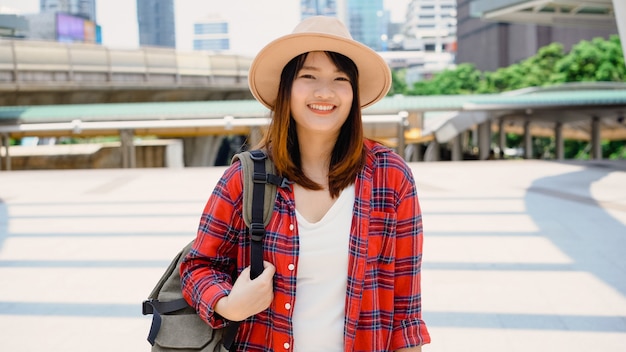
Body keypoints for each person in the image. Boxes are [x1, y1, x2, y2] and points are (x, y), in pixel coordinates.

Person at [181, 16, 431, 351]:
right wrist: (229, 304)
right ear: (287, 88)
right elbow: (198, 266)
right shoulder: (246, 177)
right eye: (309, 76)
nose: (324, 92)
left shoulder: (390, 176)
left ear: (354, 92)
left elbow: (406, 312)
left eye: (340, 79)